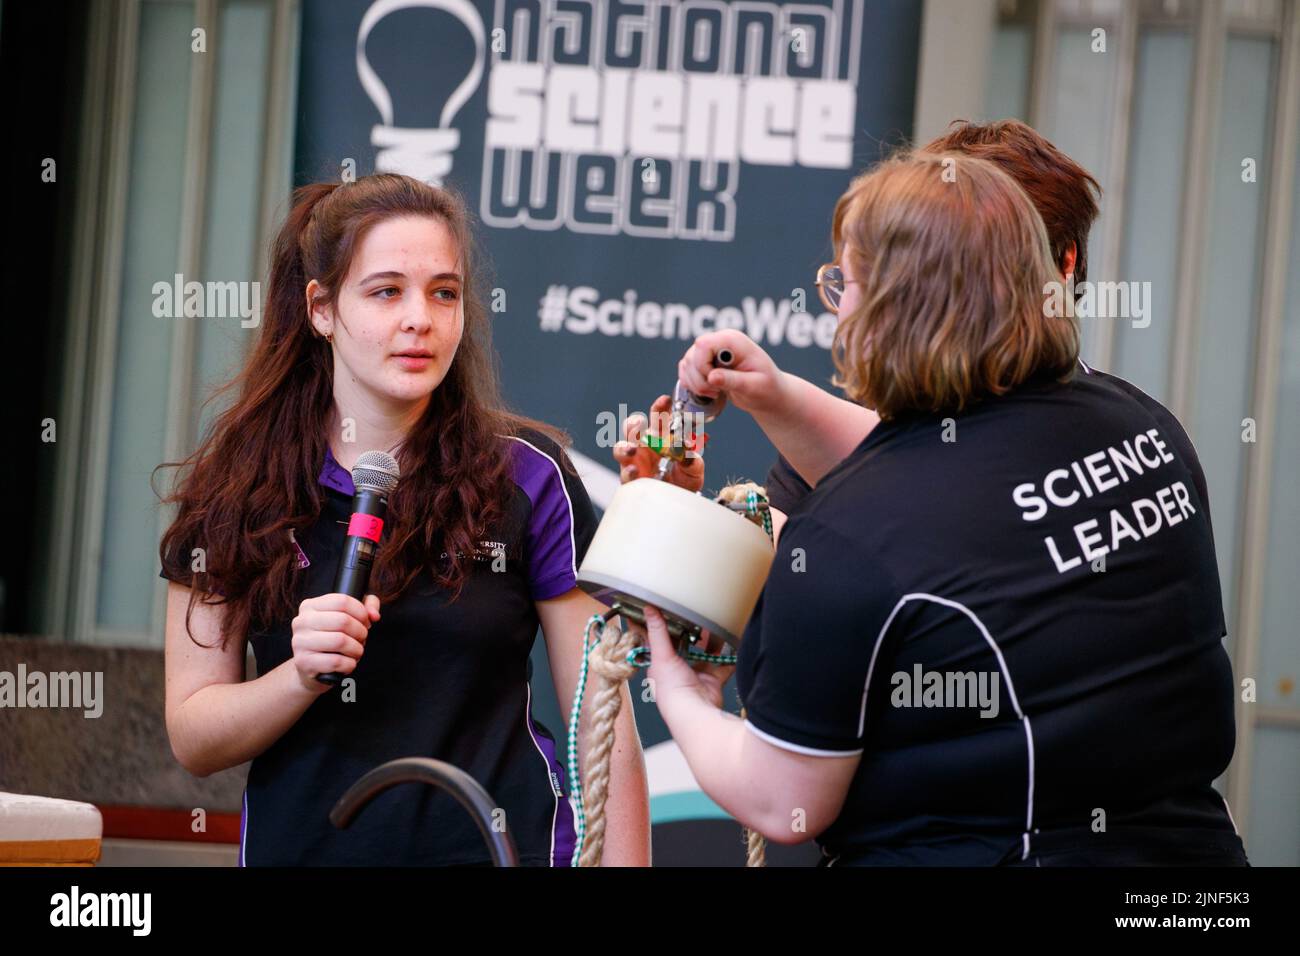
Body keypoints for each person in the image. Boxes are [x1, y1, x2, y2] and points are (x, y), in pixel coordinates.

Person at [630, 150, 1247, 866]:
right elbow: (971, 501)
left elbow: (782, 800)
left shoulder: (848, 541)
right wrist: (778, 396)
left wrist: (680, 690)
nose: (838, 307)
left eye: (845, 284)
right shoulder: (1142, 426)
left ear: (896, 310)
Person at [156, 173, 649, 866]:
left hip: (500, 848)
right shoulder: (236, 486)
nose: (420, 317)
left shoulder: (529, 477)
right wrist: (296, 675)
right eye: (387, 291)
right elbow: (194, 734)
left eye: (443, 292)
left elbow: (602, 725)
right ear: (321, 308)